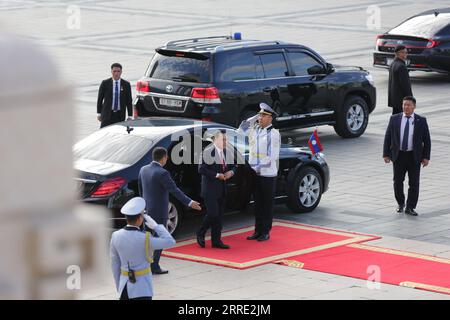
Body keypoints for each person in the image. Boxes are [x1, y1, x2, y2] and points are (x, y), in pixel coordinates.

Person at [138, 147, 201, 274]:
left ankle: (145, 264)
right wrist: (190, 202)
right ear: (163, 158)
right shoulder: (162, 173)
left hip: (147, 210)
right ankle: (154, 266)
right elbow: (174, 190)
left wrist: (142, 207)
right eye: (166, 157)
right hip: (159, 212)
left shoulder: (143, 169)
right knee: (161, 238)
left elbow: (141, 189)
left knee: (147, 239)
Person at [110, 197, 176, 300]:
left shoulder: (115, 235)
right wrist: (156, 226)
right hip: (142, 289)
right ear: (140, 218)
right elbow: (170, 241)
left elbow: (115, 265)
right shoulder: (145, 238)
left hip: (124, 287)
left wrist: (119, 286)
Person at [238, 103, 281, 241]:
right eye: (260, 115)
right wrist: (254, 117)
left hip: (267, 174)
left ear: (270, 118)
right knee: (257, 204)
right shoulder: (255, 129)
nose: (261, 117)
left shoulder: (273, 134)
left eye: (264, 115)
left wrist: (256, 169)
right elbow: (240, 131)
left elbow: (271, 157)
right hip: (254, 172)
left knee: (266, 204)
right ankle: (257, 230)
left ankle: (265, 231)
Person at [383, 96, 431, 216]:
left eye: (408, 105)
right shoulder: (394, 119)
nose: (406, 107)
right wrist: (386, 154)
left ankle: (410, 207)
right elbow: (388, 137)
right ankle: (400, 203)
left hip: (414, 156)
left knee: (414, 183)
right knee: (397, 181)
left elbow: (427, 140)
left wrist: (426, 157)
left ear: (414, 106)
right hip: (398, 156)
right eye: (404, 104)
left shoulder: (421, 120)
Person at [197, 130, 236, 249]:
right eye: (223, 139)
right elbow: (201, 169)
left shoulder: (227, 151)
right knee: (213, 213)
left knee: (219, 216)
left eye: (226, 139)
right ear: (215, 140)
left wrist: (232, 172)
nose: (225, 141)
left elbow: (235, 165)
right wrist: (217, 175)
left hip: (222, 189)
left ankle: (216, 241)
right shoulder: (207, 152)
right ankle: (201, 232)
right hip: (210, 189)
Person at [97, 63, 133, 128]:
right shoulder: (105, 83)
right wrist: (98, 113)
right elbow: (100, 99)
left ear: (121, 72)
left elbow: (129, 101)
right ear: (111, 71)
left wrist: (130, 116)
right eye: (114, 71)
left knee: (118, 134)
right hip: (107, 114)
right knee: (103, 132)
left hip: (120, 115)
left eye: (118, 71)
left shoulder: (126, 84)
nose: (116, 73)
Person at [388, 45, 413, 115]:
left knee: (395, 120)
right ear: (399, 53)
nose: (406, 54)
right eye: (405, 52)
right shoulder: (401, 66)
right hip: (401, 101)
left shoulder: (393, 64)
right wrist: (410, 99)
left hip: (394, 100)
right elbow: (405, 85)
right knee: (401, 121)